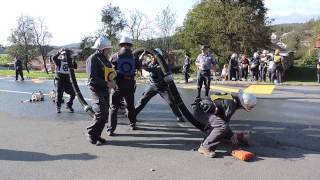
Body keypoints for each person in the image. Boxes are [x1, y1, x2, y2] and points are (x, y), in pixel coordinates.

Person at [192, 90, 257, 157]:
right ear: (243, 104)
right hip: (202, 112)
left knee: (221, 126)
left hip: (202, 110)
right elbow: (224, 124)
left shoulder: (232, 98)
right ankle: (205, 147)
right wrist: (232, 135)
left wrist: (233, 135)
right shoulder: (232, 104)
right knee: (222, 126)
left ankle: (212, 137)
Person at [135, 49, 185, 122]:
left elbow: (150, 69)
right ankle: (133, 114)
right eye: (151, 56)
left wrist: (143, 67)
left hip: (163, 87)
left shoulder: (162, 65)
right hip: (153, 85)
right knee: (142, 100)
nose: (152, 57)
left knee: (171, 101)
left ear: (158, 57)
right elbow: (139, 65)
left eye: (154, 56)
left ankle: (179, 116)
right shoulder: (149, 62)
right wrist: (143, 55)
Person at [86, 36, 117, 145]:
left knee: (104, 114)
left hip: (105, 90)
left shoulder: (104, 59)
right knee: (100, 113)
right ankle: (91, 133)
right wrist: (108, 83)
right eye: (107, 49)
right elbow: (92, 78)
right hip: (97, 90)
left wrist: (113, 83)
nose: (109, 51)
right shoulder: (93, 59)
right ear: (101, 49)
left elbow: (108, 74)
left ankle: (96, 135)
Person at [107, 36, 140, 136]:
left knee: (113, 107)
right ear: (130, 45)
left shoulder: (114, 56)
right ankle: (132, 124)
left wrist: (110, 84)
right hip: (129, 84)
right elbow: (138, 67)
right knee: (130, 106)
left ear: (120, 45)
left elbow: (109, 70)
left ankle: (111, 129)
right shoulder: (134, 57)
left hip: (118, 84)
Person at [52, 48, 77, 113]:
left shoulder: (70, 62)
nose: (65, 56)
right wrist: (59, 52)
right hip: (60, 81)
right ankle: (58, 107)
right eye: (64, 55)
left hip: (67, 82)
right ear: (62, 55)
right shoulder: (59, 61)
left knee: (73, 94)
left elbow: (75, 66)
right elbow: (54, 58)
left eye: (67, 55)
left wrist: (74, 59)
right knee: (59, 95)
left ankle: (69, 105)